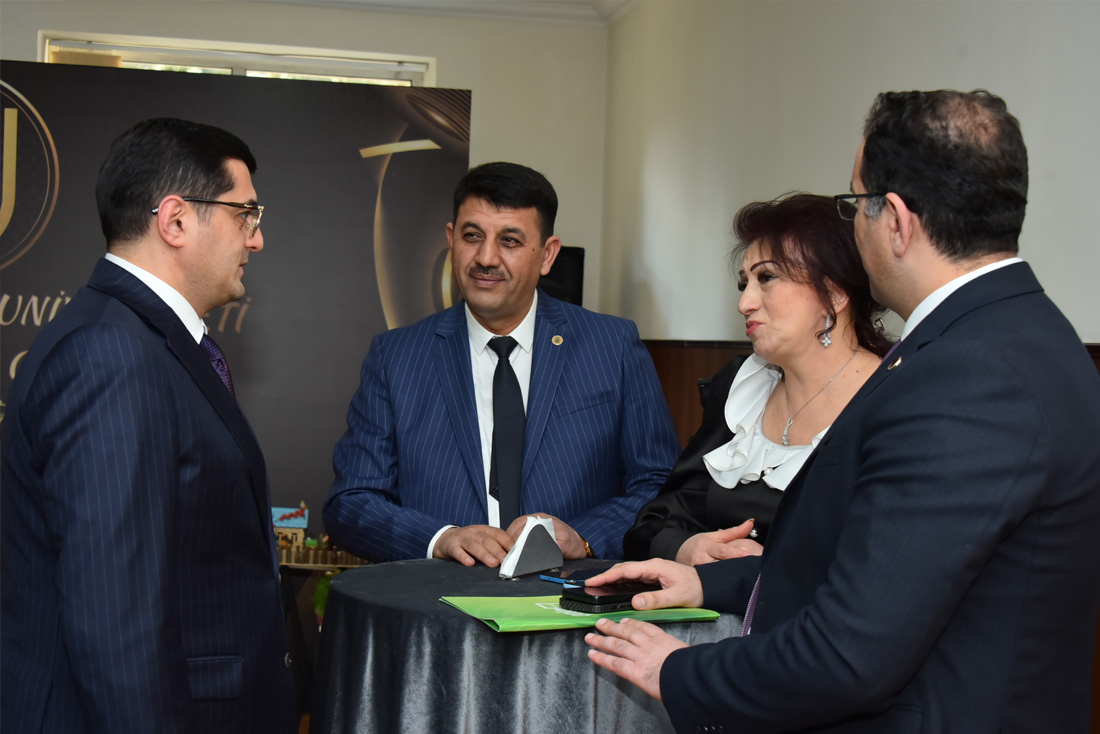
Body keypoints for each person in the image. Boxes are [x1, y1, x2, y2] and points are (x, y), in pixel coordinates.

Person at [584, 90, 1100, 733]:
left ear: (897, 221)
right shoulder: (1018, 334)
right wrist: (706, 584)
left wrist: (678, 671)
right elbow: (889, 574)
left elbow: (850, 655)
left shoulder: (970, 375)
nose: (853, 225)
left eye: (855, 203)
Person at [1, 118, 297, 733]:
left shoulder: (141, 341)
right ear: (176, 220)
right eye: (246, 214)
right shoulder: (112, 353)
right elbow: (116, 619)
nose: (258, 238)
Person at [325, 162, 680, 565]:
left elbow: (660, 486)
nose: (486, 257)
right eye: (472, 236)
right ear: (451, 240)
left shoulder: (611, 347)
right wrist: (439, 539)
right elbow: (351, 502)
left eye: (510, 240)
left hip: (569, 598)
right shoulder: (396, 357)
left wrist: (584, 536)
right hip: (437, 598)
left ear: (547, 255)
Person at [623, 193, 890, 566]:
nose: (744, 303)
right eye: (744, 284)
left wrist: (764, 573)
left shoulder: (891, 399)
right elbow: (664, 516)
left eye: (767, 278)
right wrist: (686, 548)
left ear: (833, 294)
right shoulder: (743, 388)